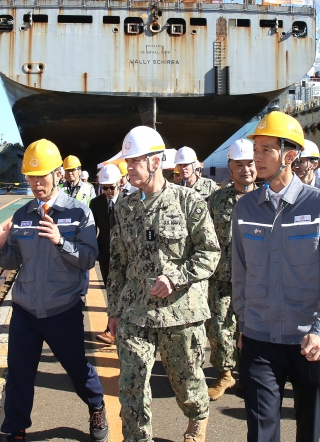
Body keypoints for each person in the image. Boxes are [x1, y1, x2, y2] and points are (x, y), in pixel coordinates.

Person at [232, 111, 320, 442]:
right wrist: (244, 325)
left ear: (289, 155)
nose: (256, 158)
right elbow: (240, 273)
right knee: (260, 432)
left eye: (265, 150)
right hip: (258, 339)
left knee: (307, 428)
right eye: (255, 149)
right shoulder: (245, 209)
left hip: (308, 340)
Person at [0, 139, 108, 442]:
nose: (36, 183)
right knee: (18, 372)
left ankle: (96, 404)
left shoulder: (79, 213)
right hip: (26, 309)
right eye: (31, 177)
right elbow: (13, 260)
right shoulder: (23, 215)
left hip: (62, 308)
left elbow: (88, 259)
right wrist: (0, 247)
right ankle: (16, 429)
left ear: (57, 174)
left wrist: (60, 241)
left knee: (77, 368)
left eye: (42, 177)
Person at [107, 126, 220, 442]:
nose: (128, 168)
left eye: (135, 161)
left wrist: (176, 277)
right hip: (134, 313)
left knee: (187, 385)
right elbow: (117, 264)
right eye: (127, 161)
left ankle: (197, 418)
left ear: (155, 162)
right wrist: (114, 311)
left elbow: (210, 252)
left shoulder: (189, 202)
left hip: (179, 314)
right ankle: (137, 437)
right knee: (131, 384)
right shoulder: (124, 207)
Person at [206, 138, 256, 401]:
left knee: (253, 328)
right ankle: (225, 373)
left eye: (249, 163)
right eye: (239, 164)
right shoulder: (216, 201)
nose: (245, 169)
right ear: (230, 167)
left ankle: (249, 372)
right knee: (219, 327)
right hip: (223, 277)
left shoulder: (267, 198)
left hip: (258, 279)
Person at [90, 163, 122, 345]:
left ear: (119, 184)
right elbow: (91, 229)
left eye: (111, 187)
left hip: (126, 258)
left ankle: (123, 328)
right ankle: (111, 328)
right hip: (105, 256)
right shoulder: (96, 203)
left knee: (126, 292)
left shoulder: (129, 200)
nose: (108, 191)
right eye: (104, 188)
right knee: (111, 291)